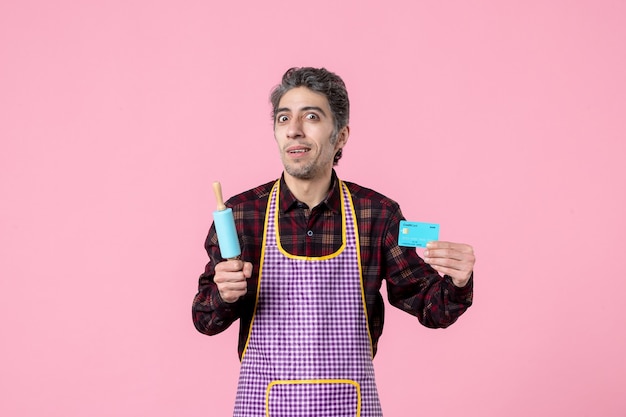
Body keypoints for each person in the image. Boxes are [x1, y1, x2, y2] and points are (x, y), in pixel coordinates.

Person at [192, 67, 475, 417]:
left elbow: (433, 308)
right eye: (284, 118)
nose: (294, 130)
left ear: (340, 136)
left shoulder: (378, 214)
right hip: (263, 407)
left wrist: (459, 281)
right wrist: (223, 294)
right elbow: (204, 320)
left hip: (351, 407)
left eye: (311, 116)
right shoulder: (240, 215)